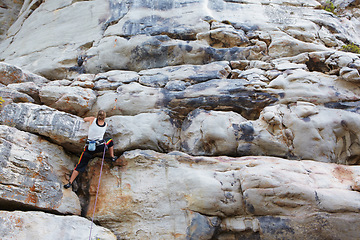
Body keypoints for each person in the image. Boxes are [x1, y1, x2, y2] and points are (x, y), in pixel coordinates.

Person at [64, 110, 117, 189]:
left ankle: (70, 183)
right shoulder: (106, 124)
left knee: (79, 166)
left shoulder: (92, 119)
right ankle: (112, 156)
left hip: (89, 148)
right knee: (110, 141)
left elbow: (85, 119)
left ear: (97, 115)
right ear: (104, 117)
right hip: (99, 147)